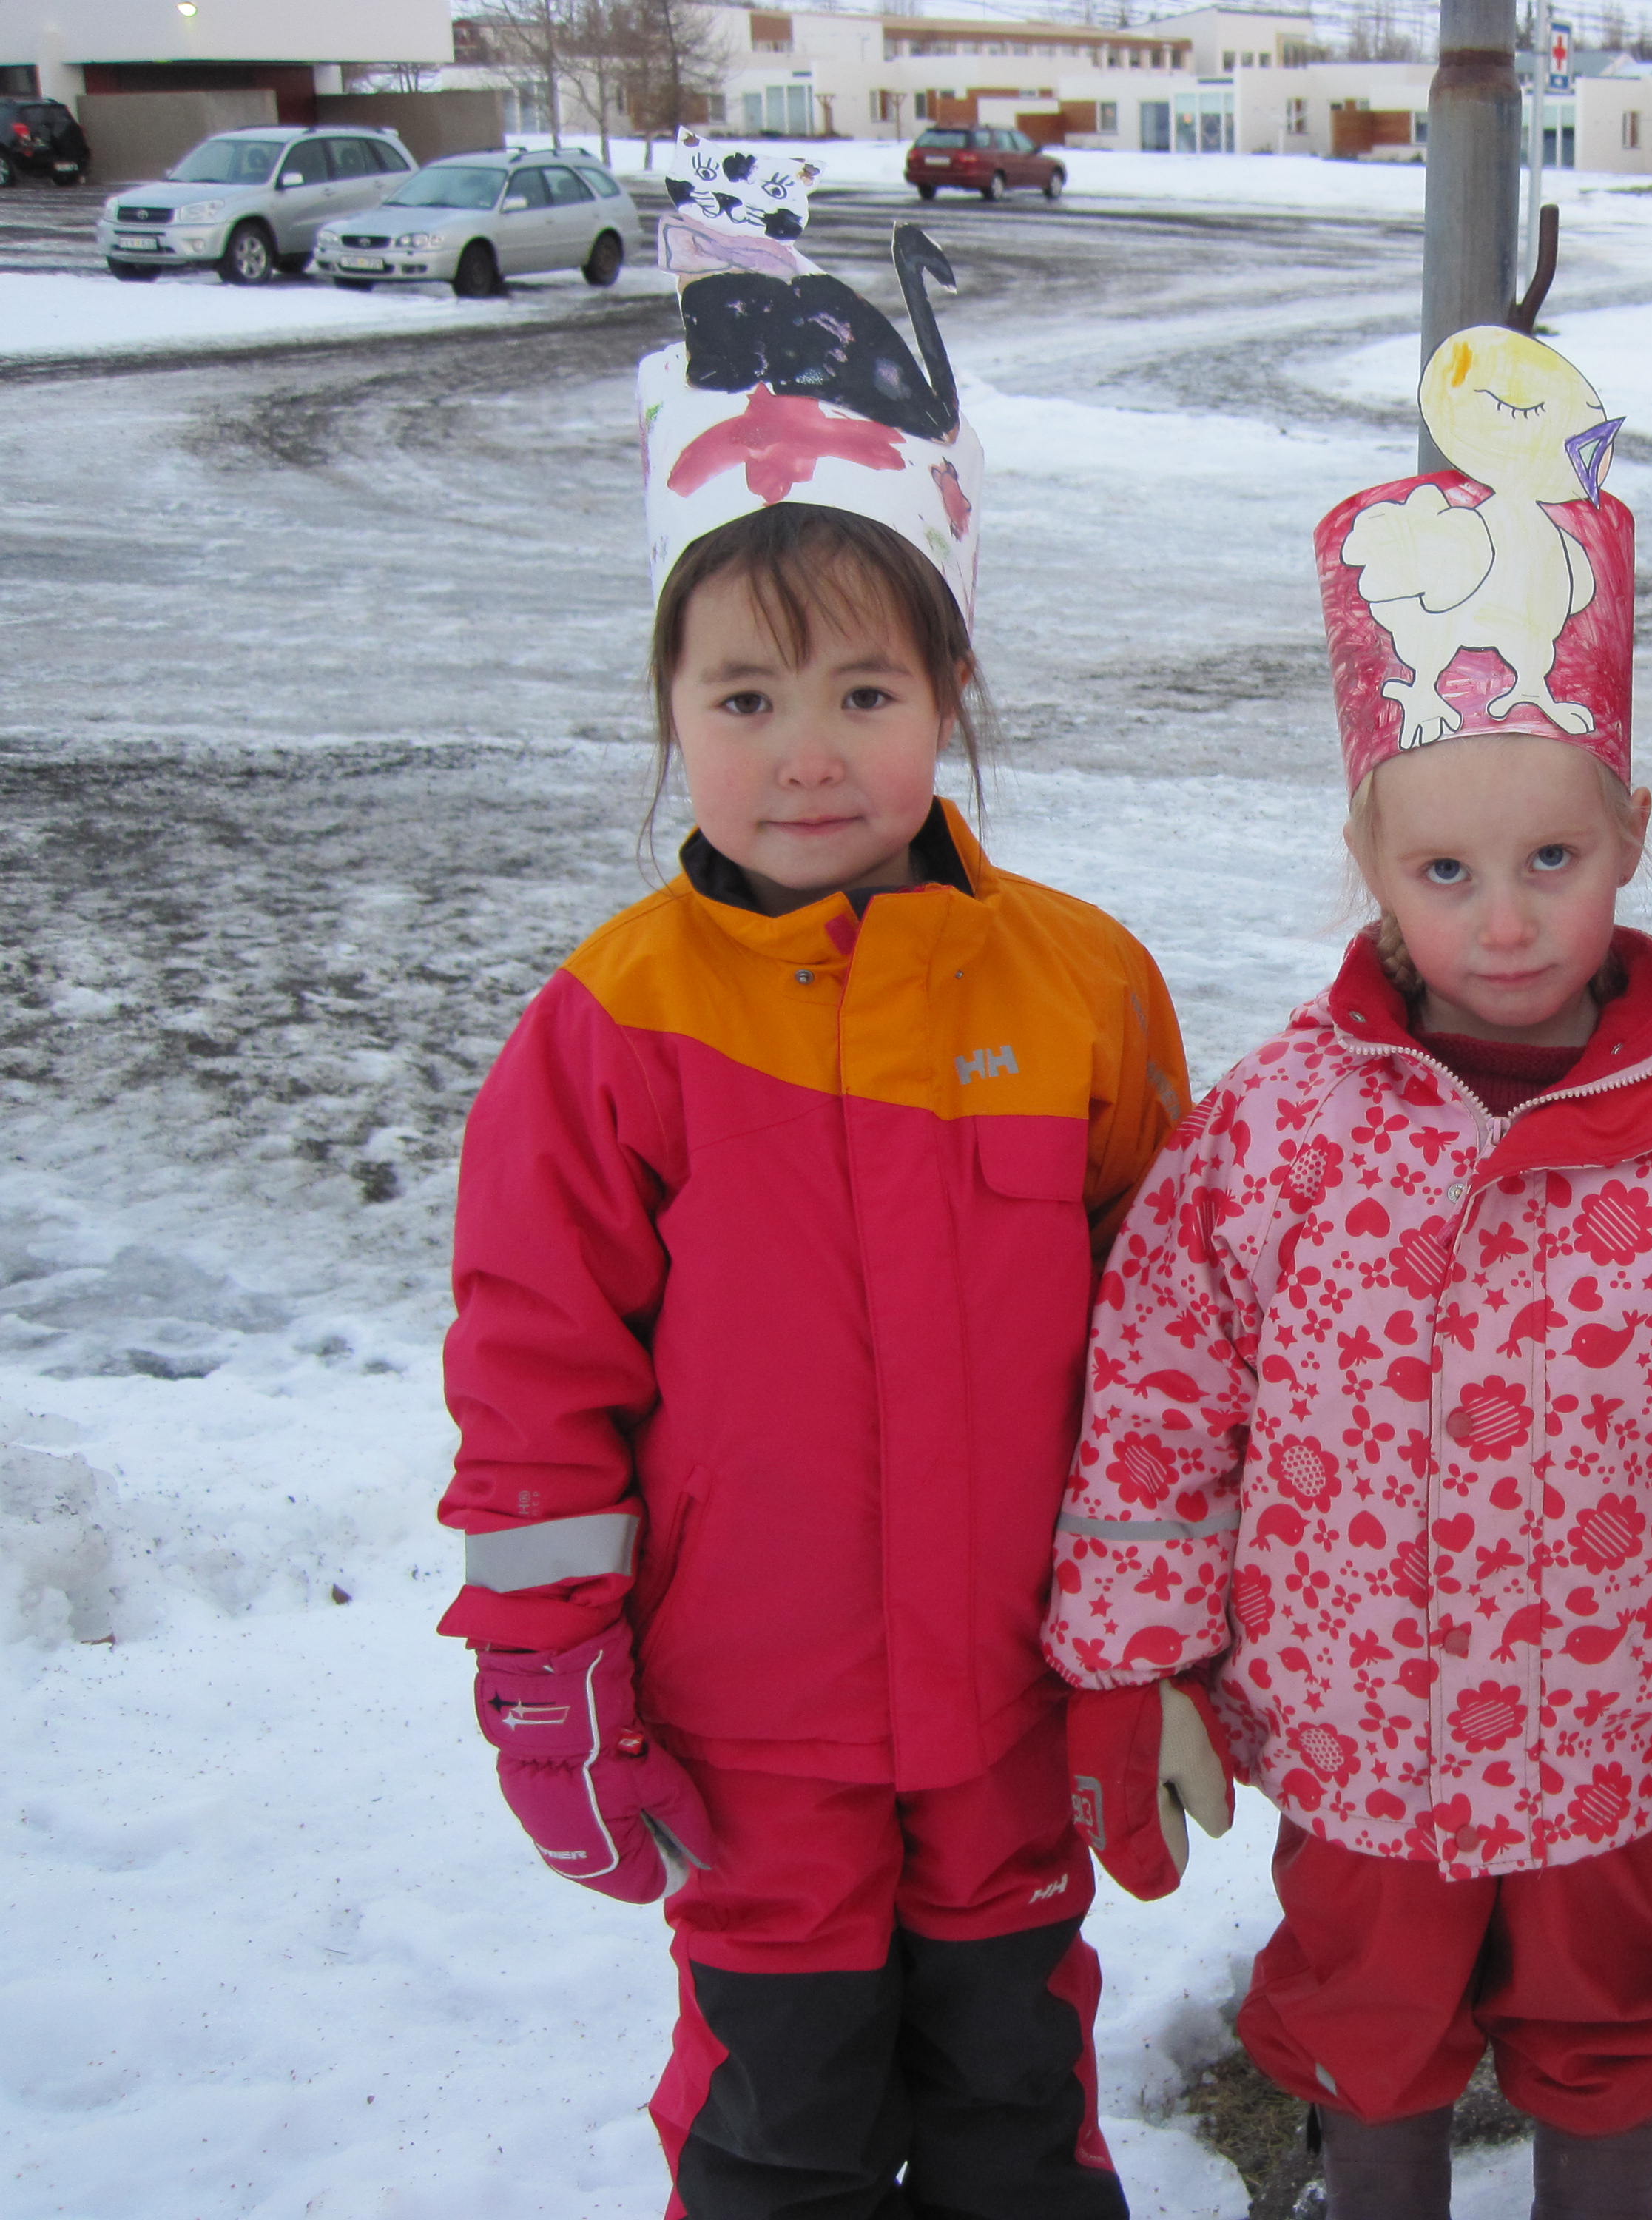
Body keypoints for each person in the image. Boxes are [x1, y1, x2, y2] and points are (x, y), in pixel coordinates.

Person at [1042, 326, 1652, 2220]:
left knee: (1613, 2019)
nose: (1505, 920)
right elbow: (1159, 1412)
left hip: (1619, 1742)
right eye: (1445, 873)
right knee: (1364, 2024)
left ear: (1628, 840)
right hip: (1358, 1741)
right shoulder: (1275, 1132)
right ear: (1370, 861)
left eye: (1549, 859)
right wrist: (1136, 1664)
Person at [434, 147, 1185, 2217]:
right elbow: (534, 1370)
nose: (808, 752)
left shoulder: (1080, 989)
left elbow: (1175, 1343)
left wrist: (1171, 1625)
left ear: (951, 697)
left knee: (1020, 2110)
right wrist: (548, 1664)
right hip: (747, 1730)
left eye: (866, 692)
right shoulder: (613, 1027)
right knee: (785, 2130)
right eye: (745, 699)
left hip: (1014, 1703)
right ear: (670, 713)